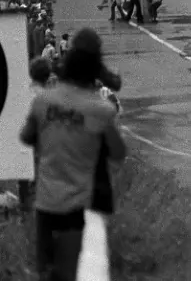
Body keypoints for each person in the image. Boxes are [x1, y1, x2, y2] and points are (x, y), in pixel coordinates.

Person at [19, 28, 126, 281]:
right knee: (73, 268)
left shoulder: (43, 100)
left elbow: (26, 137)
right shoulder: (101, 110)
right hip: (79, 203)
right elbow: (118, 152)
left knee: (44, 270)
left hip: (46, 201)